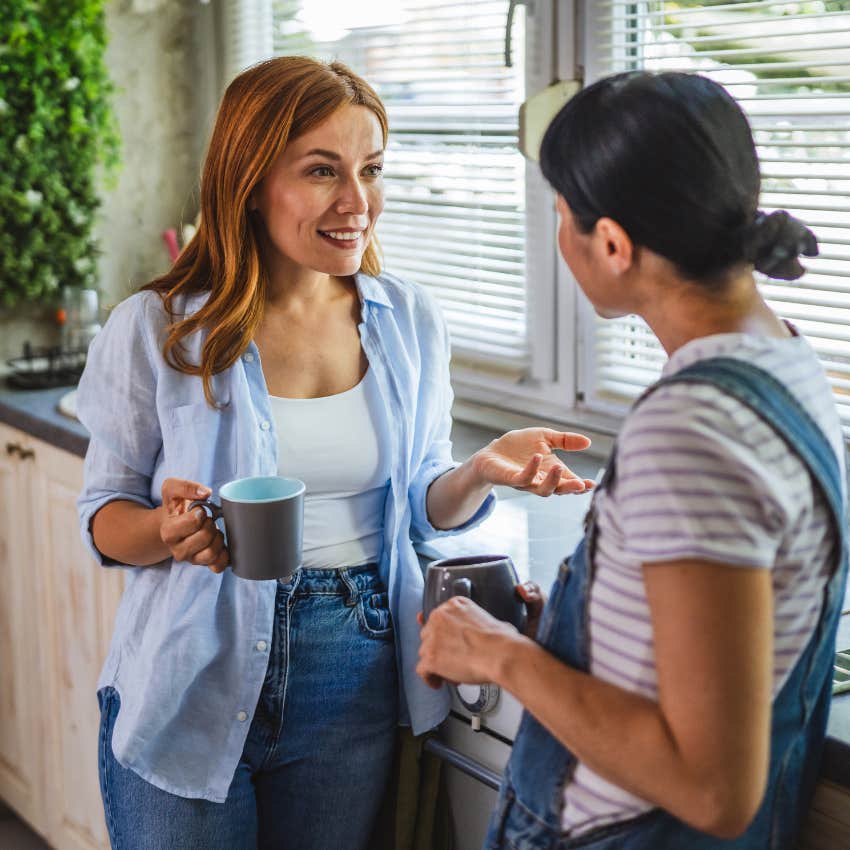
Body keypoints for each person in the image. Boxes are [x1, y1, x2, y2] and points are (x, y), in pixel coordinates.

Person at [76, 56, 596, 850]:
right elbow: (104, 515)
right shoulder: (159, 329)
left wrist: (480, 469)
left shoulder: (407, 320)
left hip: (355, 665)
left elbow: (420, 502)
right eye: (323, 171)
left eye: (371, 170)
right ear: (250, 181)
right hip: (191, 670)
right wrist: (166, 530)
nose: (358, 203)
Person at [417, 70, 848, 850]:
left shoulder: (691, 429)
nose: (558, 238)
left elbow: (711, 787)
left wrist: (502, 654)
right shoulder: (785, 360)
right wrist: (585, 634)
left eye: (561, 216)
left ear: (613, 244)